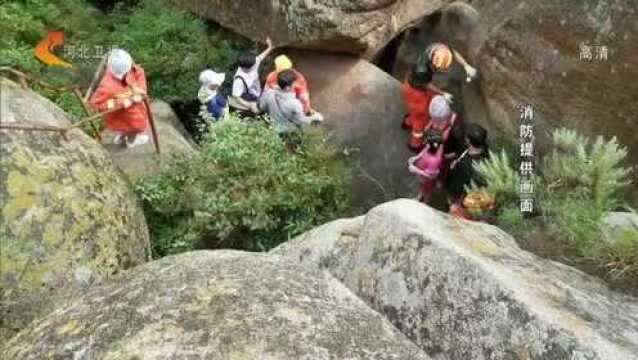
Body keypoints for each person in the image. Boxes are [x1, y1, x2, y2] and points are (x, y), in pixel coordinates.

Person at [90, 48, 149, 148]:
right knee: (135, 127)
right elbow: (96, 104)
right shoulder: (107, 86)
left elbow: (139, 73)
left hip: (132, 111)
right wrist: (122, 102)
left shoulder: (129, 69)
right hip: (122, 113)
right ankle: (131, 142)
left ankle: (122, 136)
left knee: (127, 125)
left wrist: (140, 90)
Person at [259, 69, 323, 134]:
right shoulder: (295, 104)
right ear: (287, 87)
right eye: (294, 83)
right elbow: (300, 121)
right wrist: (315, 117)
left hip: (273, 126)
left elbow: (262, 107)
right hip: (288, 130)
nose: (295, 84)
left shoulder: (268, 93)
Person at [446, 123, 490, 216]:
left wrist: (454, 202)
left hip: (462, 190)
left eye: (466, 137)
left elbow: (458, 184)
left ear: (468, 141)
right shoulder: (484, 149)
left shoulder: (465, 165)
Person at [413, 42, 478, 103]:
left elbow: (453, 52)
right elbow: (427, 84)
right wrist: (442, 93)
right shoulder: (422, 70)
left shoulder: (440, 49)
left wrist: (466, 66)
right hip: (418, 80)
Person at [228, 37, 274, 115]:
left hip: (256, 90)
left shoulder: (251, 62)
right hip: (248, 96)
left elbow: (260, 58)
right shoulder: (239, 80)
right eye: (253, 66)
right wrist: (250, 105)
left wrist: (269, 47)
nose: (255, 64)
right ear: (245, 68)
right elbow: (236, 97)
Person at [402, 63, 440, 151]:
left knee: (413, 118)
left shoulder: (409, 79)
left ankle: (407, 122)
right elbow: (425, 109)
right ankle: (415, 145)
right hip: (419, 114)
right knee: (418, 131)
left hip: (413, 109)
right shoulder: (420, 97)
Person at [408, 131, 445, 203]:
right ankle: (419, 196)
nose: (424, 143)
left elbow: (431, 176)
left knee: (427, 190)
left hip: (427, 179)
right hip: (422, 172)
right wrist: (417, 157)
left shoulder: (434, 161)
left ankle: (425, 201)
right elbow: (424, 150)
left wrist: (415, 170)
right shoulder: (437, 146)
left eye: (427, 142)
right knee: (421, 186)